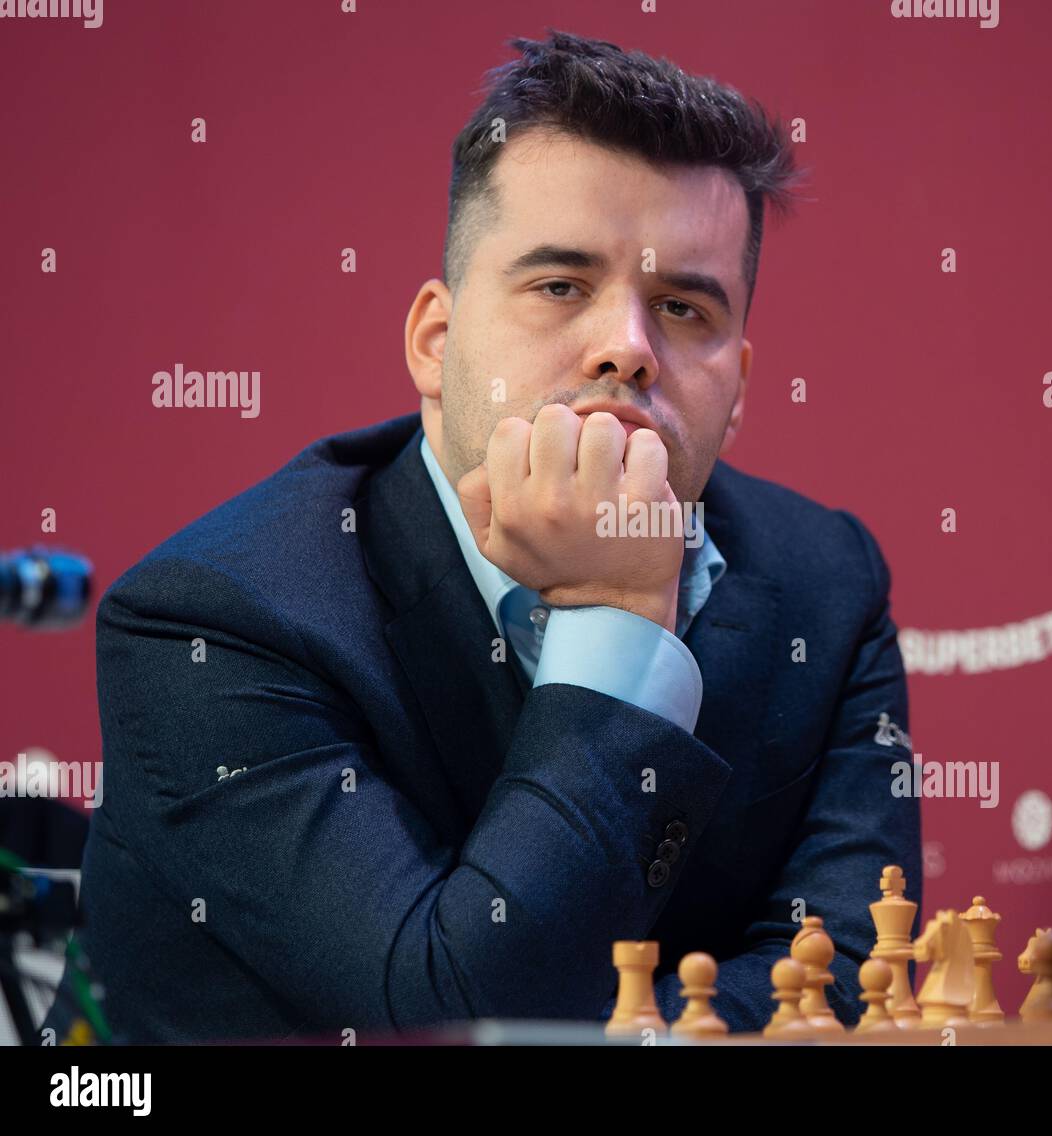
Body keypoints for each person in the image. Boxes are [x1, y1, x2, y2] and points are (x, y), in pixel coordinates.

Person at [41, 29, 919, 1043]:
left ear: (738, 391)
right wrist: (624, 616)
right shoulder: (218, 620)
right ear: (435, 341)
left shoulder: (826, 581)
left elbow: (857, 969)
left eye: (682, 307)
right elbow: (454, 1018)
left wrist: (624, 1026)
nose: (626, 349)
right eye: (560, 286)